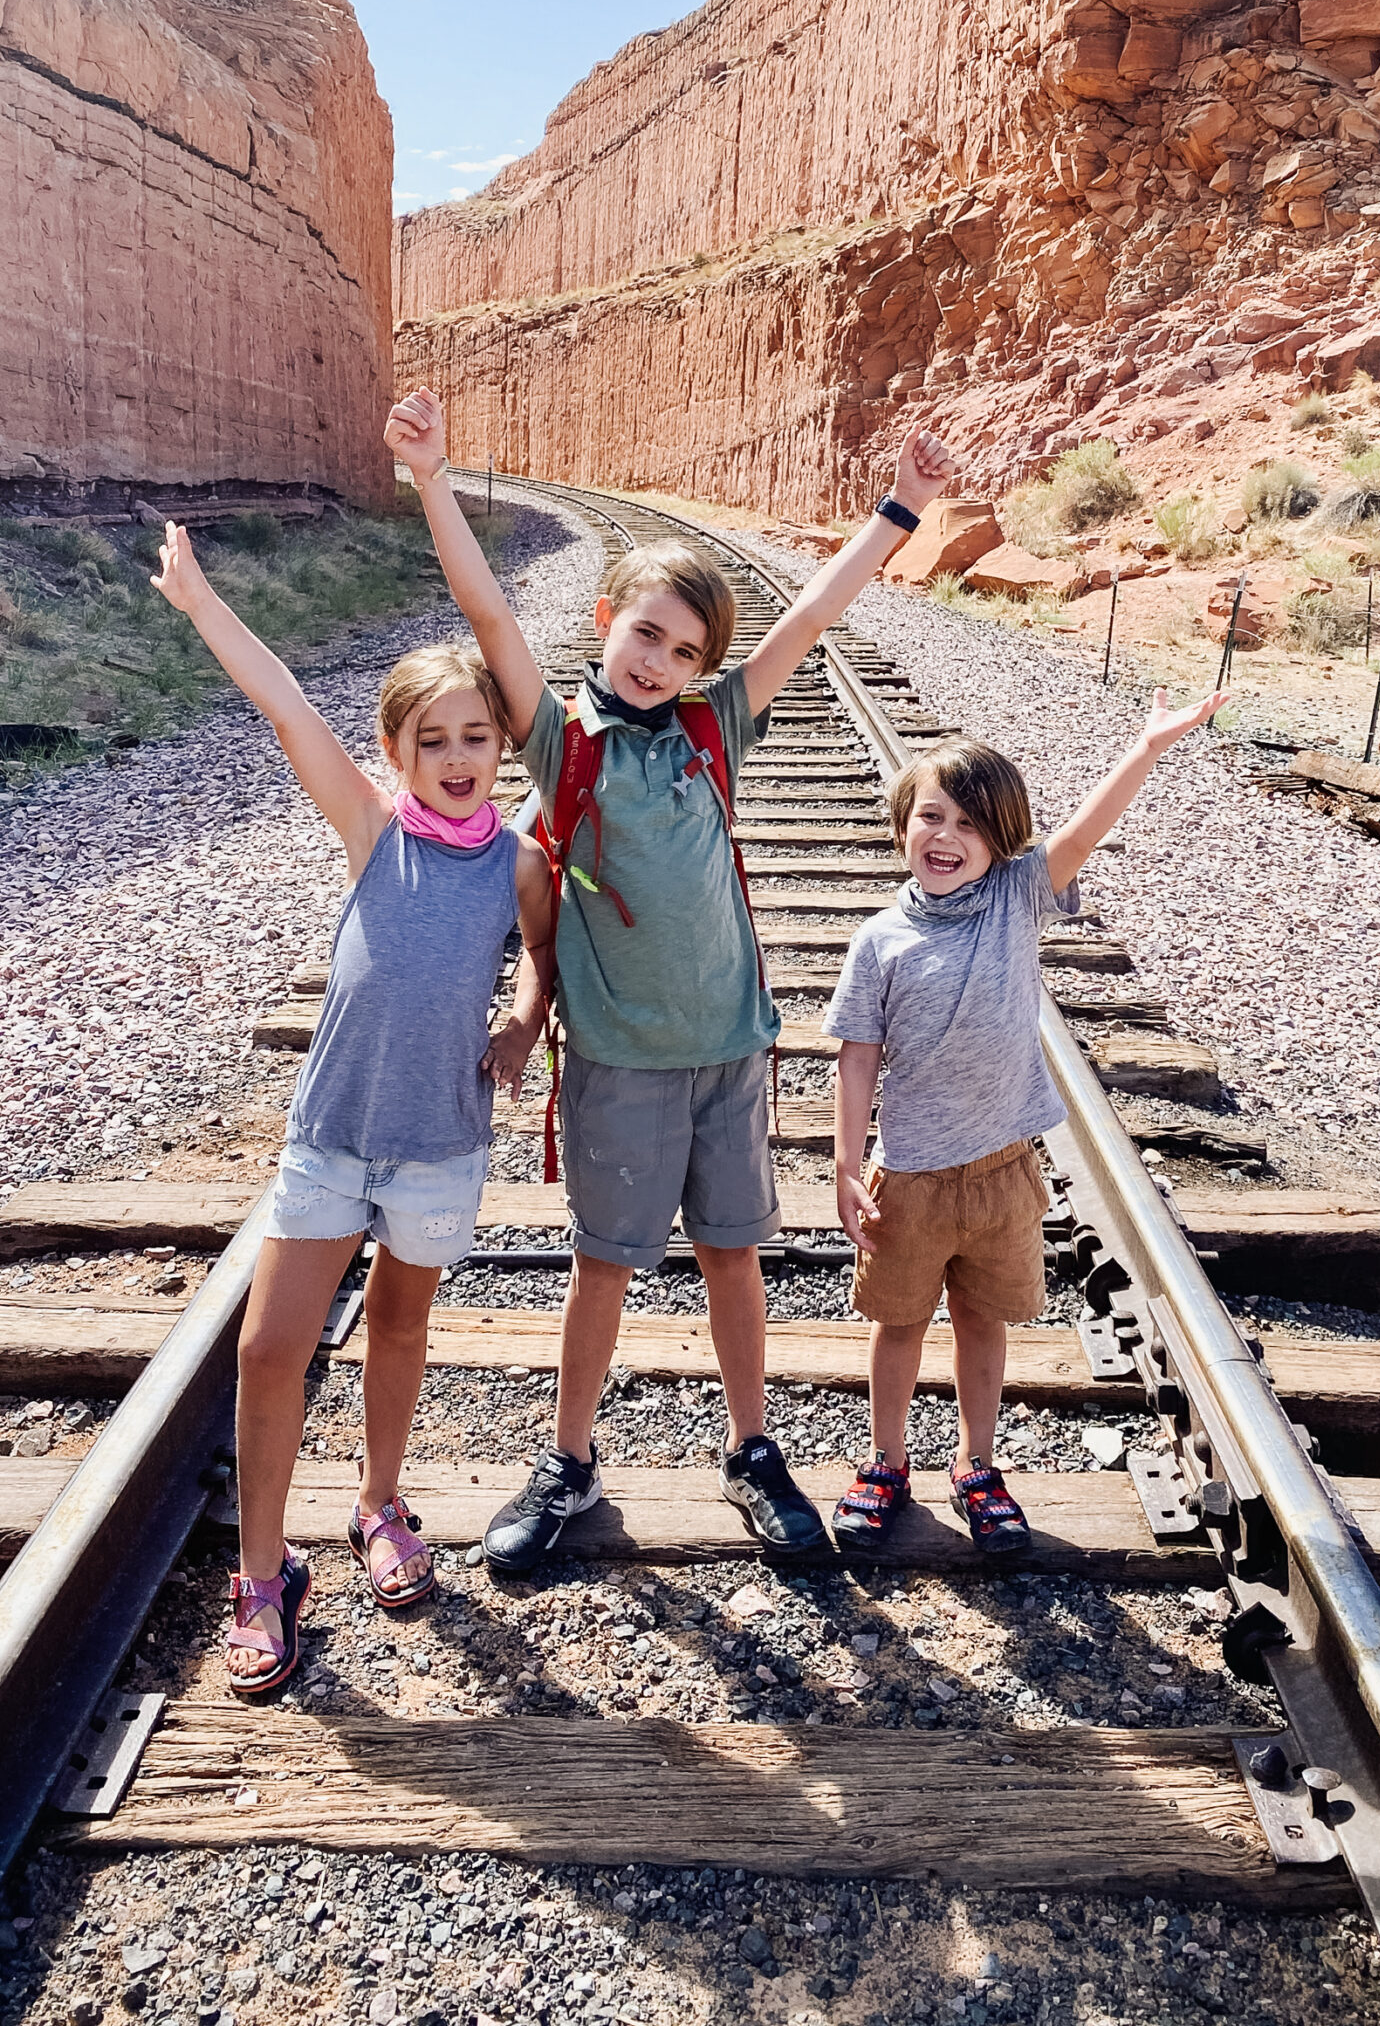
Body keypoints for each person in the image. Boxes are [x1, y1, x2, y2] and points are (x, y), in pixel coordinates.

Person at [382, 388, 955, 1568]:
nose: (661, 661)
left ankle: (752, 1450)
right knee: (605, 1263)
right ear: (604, 620)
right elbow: (485, 610)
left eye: (686, 650)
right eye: (646, 635)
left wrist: (898, 508)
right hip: (620, 1059)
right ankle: (571, 1460)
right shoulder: (557, 735)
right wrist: (435, 478)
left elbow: (812, 615)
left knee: (736, 1255)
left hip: (730, 1051)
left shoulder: (713, 726)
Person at [150, 522, 553, 1692]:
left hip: (439, 1141)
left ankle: (379, 1503)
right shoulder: (375, 830)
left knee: (399, 1327)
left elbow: (541, 953)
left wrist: (523, 1024)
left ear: (500, 746)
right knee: (273, 1346)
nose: (461, 754)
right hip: (333, 1135)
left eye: (479, 735)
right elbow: (288, 710)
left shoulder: (517, 859)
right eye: (435, 739)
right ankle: (265, 1573)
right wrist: (202, 604)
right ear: (398, 751)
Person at [825, 693, 1223, 1559]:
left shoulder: (1015, 896)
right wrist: (846, 1164)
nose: (946, 836)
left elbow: (1085, 831)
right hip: (915, 1176)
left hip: (1005, 1170)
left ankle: (977, 1465)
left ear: (1001, 842)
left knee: (982, 1322)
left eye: (970, 824)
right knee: (898, 1325)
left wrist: (1146, 746)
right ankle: (884, 1463)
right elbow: (855, 1056)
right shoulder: (880, 940)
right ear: (902, 824)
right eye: (931, 816)